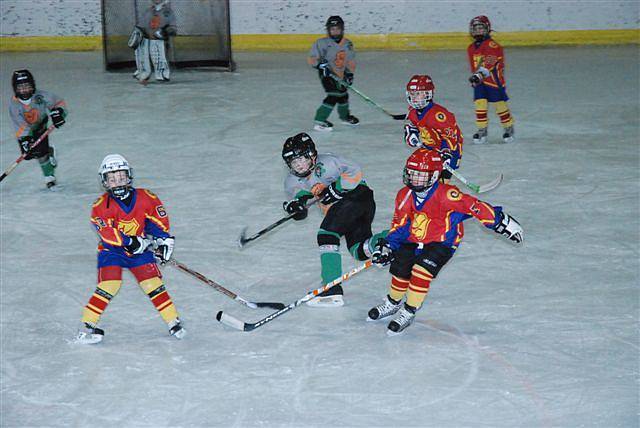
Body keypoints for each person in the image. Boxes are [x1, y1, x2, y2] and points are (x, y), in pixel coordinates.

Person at [367, 148, 523, 335]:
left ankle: (408, 311)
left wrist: (501, 222)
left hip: (442, 242)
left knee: (421, 271)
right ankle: (392, 303)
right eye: (412, 173)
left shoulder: (447, 195)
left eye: (420, 175)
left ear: (433, 176)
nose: (414, 178)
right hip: (415, 237)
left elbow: (474, 206)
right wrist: (387, 246)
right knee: (400, 269)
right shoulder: (404, 195)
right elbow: (399, 225)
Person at [76, 154, 184, 344]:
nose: (118, 183)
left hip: (139, 252)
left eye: (121, 177)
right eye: (112, 179)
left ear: (129, 177)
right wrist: (131, 242)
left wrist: (163, 241)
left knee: (153, 284)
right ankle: (87, 325)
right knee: (109, 284)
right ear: (105, 182)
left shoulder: (146, 197)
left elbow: (154, 223)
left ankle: (173, 321)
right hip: (112, 251)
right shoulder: (100, 206)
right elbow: (107, 233)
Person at [282, 132, 386, 306]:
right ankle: (391, 238)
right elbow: (302, 199)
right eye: (293, 162)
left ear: (312, 155)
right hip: (348, 209)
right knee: (360, 250)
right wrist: (297, 207)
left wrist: (337, 187)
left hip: (358, 197)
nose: (298, 165)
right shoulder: (291, 181)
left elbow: (355, 172)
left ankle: (331, 289)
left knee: (327, 235)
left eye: (301, 159)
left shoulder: (328, 163)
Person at [8, 69, 66, 189]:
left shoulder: (41, 96)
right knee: (28, 155)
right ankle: (49, 151)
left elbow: (59, 102)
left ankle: (49, 177)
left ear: (33, 85)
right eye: (21, 87)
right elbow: (20, 125)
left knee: (41, 154)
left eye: (27, 86)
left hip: (40, 126)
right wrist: (25, 140)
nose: (24, 90)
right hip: (26, 131)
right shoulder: (14, 105)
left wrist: (59, 113)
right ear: (15, 89)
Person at [403, 74, 464, 181]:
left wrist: (446, 153)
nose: (414, 97)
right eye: (412, 94)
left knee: (439, 185)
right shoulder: (413, 112)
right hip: (429, 149)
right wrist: (411, 133)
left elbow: (451, 137)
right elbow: (414, 125)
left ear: (428, 94)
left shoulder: (438, 115)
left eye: (418, 94)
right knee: (423, 181)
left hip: (449, 151)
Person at [467, 15, 515, 144]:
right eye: (475, 29)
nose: (478, 31)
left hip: (493, 81)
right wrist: (475, 77)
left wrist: (479, 75)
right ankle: (482, 130)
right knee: (480, 105)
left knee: (500, 105)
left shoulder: (493, 45)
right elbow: (475, 66)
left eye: (481, 28)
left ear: (487, 29)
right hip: (480, 82)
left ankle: (508, 127)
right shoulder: (471, 48)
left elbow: (490, 61)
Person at [307, 15, 359, 131]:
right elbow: (312, 58)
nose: (335, 31)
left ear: (342, 29)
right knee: (333, 95)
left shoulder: (347, 44)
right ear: (328, 30)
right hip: (327, 73)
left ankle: (345, 117)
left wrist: (350, 73)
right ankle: (320, 121)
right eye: (332, 29)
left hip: (341, 73)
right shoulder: (321, 43)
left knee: (343, 95)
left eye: (337, 29)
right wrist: (319, 65)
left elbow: (350, 60)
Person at [129, 0, 177, 83]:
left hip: (158, 39)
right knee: (142, 55)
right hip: (145, 38)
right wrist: (137, 33)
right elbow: (141, 25)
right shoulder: (148, 11)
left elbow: (172, 27)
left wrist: (167, 31)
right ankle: (143, 72)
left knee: (159, 55)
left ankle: (162, 74)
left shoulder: (168, 12)